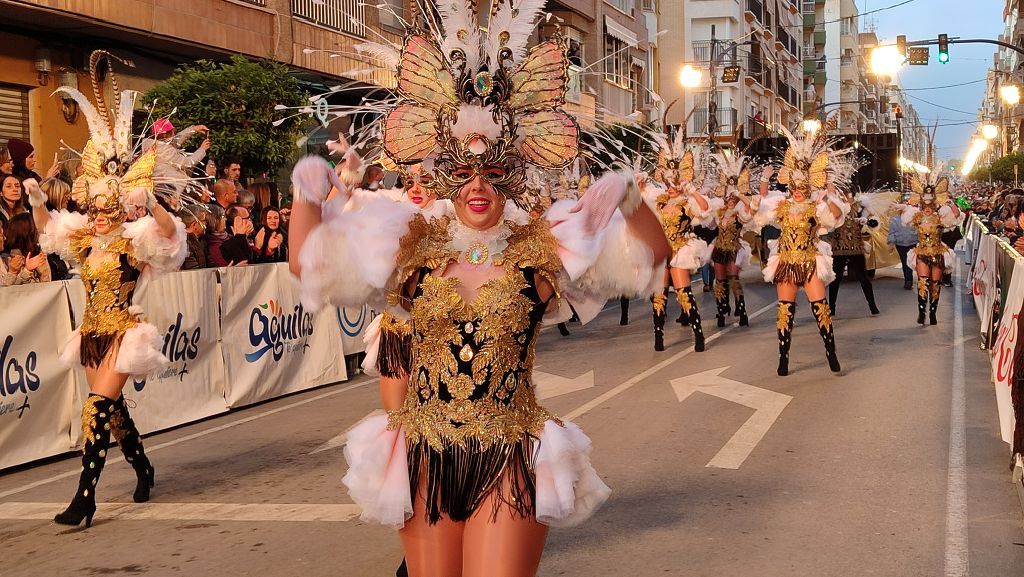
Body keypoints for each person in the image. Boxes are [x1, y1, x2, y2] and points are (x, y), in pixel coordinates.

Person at [288, 9, 671, 575]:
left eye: (492, 174)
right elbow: (308, 264)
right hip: (424, 454)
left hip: (510, 452)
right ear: (443, 173)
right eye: (465, 173)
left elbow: (653, 257)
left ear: (512, 176)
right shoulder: (409, 245)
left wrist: (629, 197)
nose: (478, 187)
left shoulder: (542, 247)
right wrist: (307, 194)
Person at [33, 52, 188, 527]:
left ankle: (85, 497)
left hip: (123, 332)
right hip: (91, 335)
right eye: (95, 210)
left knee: (96, 408)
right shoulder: (83, 243)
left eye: (108, 210)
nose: (100, 216)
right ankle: (142, 465)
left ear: (120, 211)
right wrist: (40, 201)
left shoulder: (133, 243)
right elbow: (48, 233)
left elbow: (171, 237)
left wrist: (154, 202)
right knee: (113, 414)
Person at [755, 126, 851, 376]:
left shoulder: (815, 207)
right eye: (794, 186)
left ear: (808, 186)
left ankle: (831, 353)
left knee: (820, 307)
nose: (797, 190)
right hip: (786, 260)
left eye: (802, 187)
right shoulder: (781, 205)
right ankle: (783, 358)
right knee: (784, 310)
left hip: (809, 260)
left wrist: (828, 195)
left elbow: (838, 216)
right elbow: (761, 207)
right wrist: (764, 180)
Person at [646, 129, 711, 352]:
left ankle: (698, 334)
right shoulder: (659, 202)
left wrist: (691, 190)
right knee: (659, 294)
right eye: (669, 179)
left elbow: (704, 208)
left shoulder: (686, 203)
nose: (673, 184)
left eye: (677, 179)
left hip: (680, 249)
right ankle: (658, 336)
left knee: (684, 292)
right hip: (662, 250)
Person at [895, 171, 961, 326]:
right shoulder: (916, 216)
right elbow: (903, 216)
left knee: (935, 284)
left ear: (935, 204)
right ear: (921, 204)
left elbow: (956, 217)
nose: (927, 207)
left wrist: (951, 204)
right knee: (923, 282)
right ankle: (921, 310)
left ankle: (932, 312)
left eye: (930, 204)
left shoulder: (941, 217)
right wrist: (903, 206)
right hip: (922, 252)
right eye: (924, 204)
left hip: (938, 252)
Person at [708, 151, 756, 327]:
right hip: (720, 248)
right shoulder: (719, 213)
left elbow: (752, 210)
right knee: (719, 281)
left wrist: (740, 195)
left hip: (735, 249)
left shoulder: (740, 213)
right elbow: (707, 215)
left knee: (734, 278)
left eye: (733, 198)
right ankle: (721, 310)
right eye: (729, 197)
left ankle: (742, 310)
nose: (730, 200)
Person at [827, 192, 880, 316]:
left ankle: (872, 306)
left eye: (849, 196)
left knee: (864, 278)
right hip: (839, 247)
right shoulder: (837, 207)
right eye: (845, 195)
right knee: (835, 279)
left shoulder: (860, 207)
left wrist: (865, 221)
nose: (847, 198)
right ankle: (831, 307)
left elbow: (874, 222)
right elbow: (828, 223)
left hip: (856, 247)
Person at [140, 118, 211, 201]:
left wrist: (194, 129)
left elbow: (176, 141)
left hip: (162, 185)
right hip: (169, 189)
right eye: (171, 132)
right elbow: (187, 163)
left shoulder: (154, 145)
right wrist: (202, 149)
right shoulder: (165, 150)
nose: (174, 134)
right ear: (165, 135)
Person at [3, 212, 51, 283]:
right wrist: (27, 270)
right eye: (37, 228)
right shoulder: (7, 260)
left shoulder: (38, 253)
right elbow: (9, 290)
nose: (41, 232)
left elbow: (47, 285)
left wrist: (43, 268)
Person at [888, 212, 919, 290]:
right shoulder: (895, 220)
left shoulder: (913, 218)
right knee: (904, 261)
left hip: (912, 243)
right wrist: (891, 243)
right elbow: (892, 232)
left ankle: (909, 280)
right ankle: (908, 279)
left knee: (909, 260)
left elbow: (919, 229)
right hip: (900, 244)